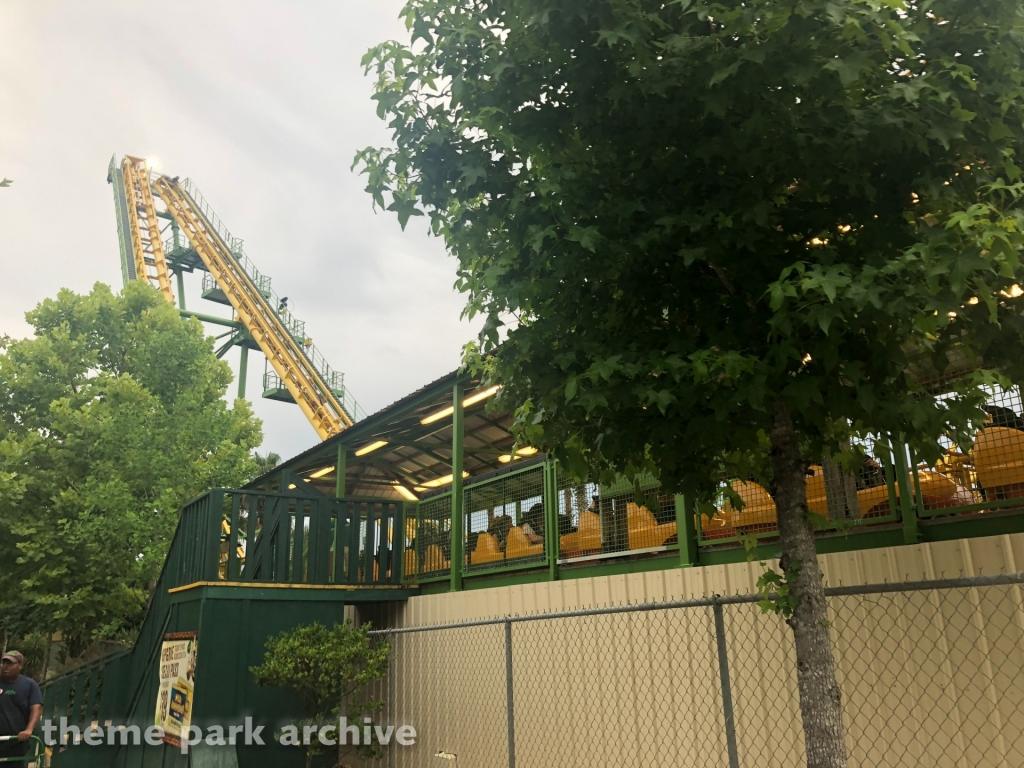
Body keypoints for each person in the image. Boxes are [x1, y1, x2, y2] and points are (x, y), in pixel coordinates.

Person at [0, 651, 42, 761]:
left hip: (16, 742)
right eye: (4, 662)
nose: (6, 666)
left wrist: (29, 730)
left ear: (20, 666)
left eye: (11, 663)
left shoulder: (29, 685)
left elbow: (36, 708)